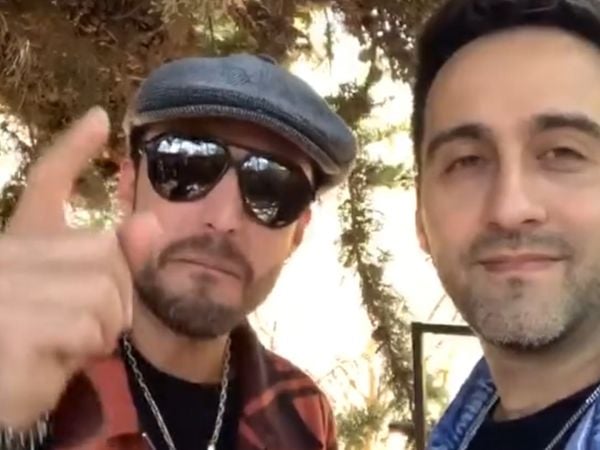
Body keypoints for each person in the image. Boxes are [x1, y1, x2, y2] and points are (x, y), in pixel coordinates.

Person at [0, 53, 357, 450]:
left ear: (298, 232)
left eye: (273, 188)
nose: (223, 219)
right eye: (185, 165)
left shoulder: (304, 414)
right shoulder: (24, 363)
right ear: (129, 186)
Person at [411, 0, 600, 449]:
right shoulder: (463, 429)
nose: (509, 208)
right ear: (420, 216)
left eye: (563, 153)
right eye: (467, 161)